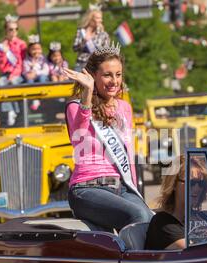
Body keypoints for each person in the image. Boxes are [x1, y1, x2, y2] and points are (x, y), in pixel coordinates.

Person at [64, 42, 153, 232]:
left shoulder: (124, 108)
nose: (114, 81)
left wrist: (135, 191)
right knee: (139, 215)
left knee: (154, 221)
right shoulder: (75, 107)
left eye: (118, 75)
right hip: (88, 188)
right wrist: (87, 93)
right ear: (92, 76)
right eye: (107, 75)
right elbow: (78, 132)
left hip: (122, 186)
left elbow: (128, 153)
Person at [144, 155, 207, 250]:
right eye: (191, 183)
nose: (197, 188)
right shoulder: (162, 222)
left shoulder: (202, 217)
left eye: (201, 183)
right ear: (174, 184)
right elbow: (194, 251)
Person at [72, 5, 110, 71]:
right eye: (98, 18)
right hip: (81, 65)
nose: (100, 20)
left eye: (101, 18)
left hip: (96, 66)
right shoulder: (81, 31)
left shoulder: (103, 34)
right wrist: (84, 41)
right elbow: (75, 48)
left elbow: (107, 53)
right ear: (91, 18)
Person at [0, 14, 27, 86]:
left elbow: (22, 63)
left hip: (19, 74)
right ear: (6, 30)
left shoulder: (21, 44)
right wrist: (4, 53)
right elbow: (0, 65)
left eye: (16, 29)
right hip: (6, 74)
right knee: (1, 82)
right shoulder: (1, 46)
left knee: (14, 82)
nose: (14, 31)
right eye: (11, 29)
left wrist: (13, 74)